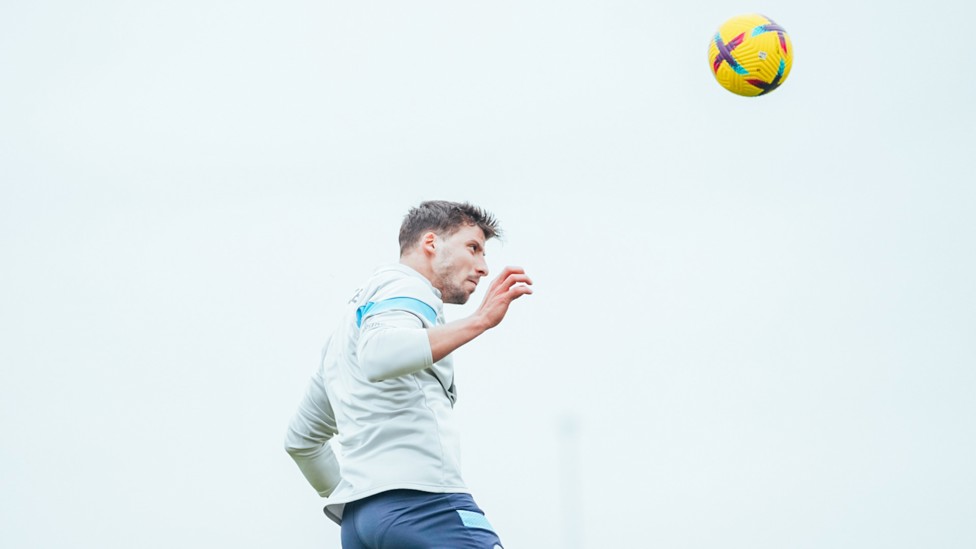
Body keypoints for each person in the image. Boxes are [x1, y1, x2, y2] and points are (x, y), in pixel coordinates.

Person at [285, 200, 532, 549]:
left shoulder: (343, 336)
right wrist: (480, 320)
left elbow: (302, 441)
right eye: (473, 248)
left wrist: (362, 500)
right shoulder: (406, 287)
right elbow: (380, 354)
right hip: (424, 505)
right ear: (431, 244)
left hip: (360, 525)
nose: (483, 268)